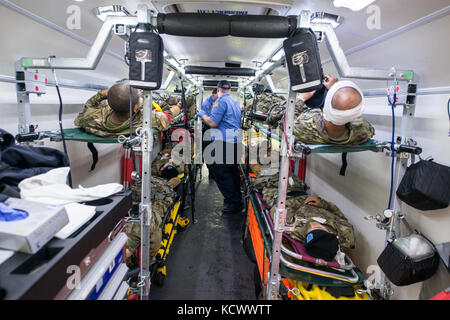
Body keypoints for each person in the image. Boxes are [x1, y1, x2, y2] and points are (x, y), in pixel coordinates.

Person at [197, 80, 242, 215]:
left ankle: (232, 202)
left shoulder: (220, 102)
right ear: (229, 89)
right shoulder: (235, 103)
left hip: (223, 142)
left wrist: (202, 114)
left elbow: (212, 122)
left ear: (218, 89)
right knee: (232, 171)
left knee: (220, 173)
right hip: (234, 141)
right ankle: (236, 199)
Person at [292, 75, 375, 145]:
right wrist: (336, 91)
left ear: (327, 105)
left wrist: (301, 98)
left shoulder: (304, 126)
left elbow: (283, 126)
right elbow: (368, 129)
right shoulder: (363, 131)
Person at [74, 81, 143, 137]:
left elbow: (89, 106)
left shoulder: (90, 119)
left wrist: (101, 94)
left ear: (109, 105)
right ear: (134, 108)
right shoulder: (142, 122)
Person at [200, 89, 219, 179]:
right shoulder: (206, 104)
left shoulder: (218, 102)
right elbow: (206, 120)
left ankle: (215, 172)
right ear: (213, 95)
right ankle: (211, 173)